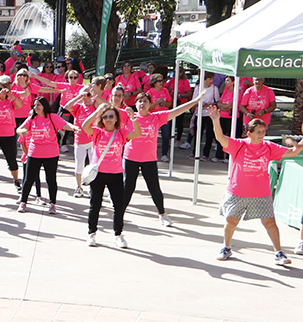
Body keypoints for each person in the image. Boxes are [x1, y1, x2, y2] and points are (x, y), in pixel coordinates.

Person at [205, 105, 303, 265]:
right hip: (238, 191)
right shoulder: (239, 145)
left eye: (264, 132)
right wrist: (216, 120)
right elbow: (220, 137)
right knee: (231, 221)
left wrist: (300, 143)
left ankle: (279, 253)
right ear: (248, 133)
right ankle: (226, 247)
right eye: (258, 132)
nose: (262, 135)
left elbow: (292, 152)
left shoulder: (269, 147)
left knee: (270, 223)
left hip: (261, 193)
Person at [124, 92, 202, 227]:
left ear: (150, 105)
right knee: (128, 187)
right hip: (131, 158)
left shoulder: (156, 117)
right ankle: (120, 213)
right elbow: (108, 106)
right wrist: (95, 95)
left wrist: (195, 101)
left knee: (154, 188)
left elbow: (176, 111)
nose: (142, 104)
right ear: (135, 104)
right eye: (139, 101)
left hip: (149, 159)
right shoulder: (128, 116)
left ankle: (162, 214)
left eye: (145, 101)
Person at [81, 103, 142, 248]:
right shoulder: (97, 132)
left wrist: (133, 118)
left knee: (119, 206)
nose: (108, 119)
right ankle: (91, 233)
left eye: (111, 116)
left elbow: (137, 134)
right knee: (95, 205)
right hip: (99, 174)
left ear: (116, 119)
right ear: (102, 119)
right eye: (105, 116)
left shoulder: (121, 132)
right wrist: (97, 111)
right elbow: (84, 126)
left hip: (116, 174)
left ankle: (118, 235)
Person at [17, 96, 71, 213]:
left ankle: (52, 204)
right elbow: (19, 129)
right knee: (28, 179)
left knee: (51, 179)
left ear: (44, 106)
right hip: (34, 152)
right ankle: (23, 202)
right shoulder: (32, 118)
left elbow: (64, 125)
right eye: (35, 105)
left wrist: (74, 128)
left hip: (51, 154)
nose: (36, 108)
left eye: (38, 105)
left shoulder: (52, 117)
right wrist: (22, 131)